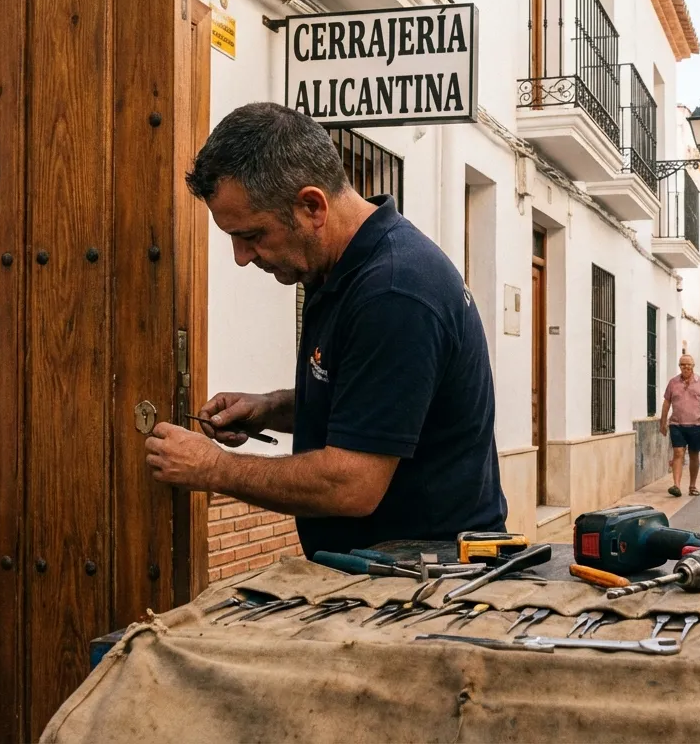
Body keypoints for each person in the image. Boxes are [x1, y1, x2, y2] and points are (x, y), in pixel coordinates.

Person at [142, 102, 507, 556]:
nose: (242, 256)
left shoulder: (394, 293)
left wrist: (213, 469)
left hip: (427, 576)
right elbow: (375, 404)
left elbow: (352, 484)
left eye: (252, 235)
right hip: (384, 567)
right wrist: (272, 408)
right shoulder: (338, 272)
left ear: (312, 205)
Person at [659, 354, 700, 497]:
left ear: (693, 366)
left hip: (696, 424)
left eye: (688, 364)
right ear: (679, 366)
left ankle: (692, 486)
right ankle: (676, 486)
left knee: (693, 455)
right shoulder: (673, 383)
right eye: (683, 364)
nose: (686, 367)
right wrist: (663, 421)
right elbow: (667, 402)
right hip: (676, 424)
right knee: (678, 453)